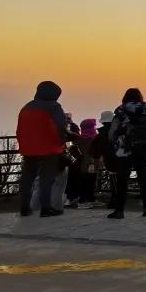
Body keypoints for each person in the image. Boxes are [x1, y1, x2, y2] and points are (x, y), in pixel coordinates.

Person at [17, 81, 68, 217]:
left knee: (27, 178)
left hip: (28, 148)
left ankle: (24, 207)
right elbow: (61, 127)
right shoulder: (54, 107)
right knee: (47, 178)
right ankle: (46, 208)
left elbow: (19, 129)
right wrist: (62, 142)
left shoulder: (26, 107)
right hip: (49, 148)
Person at [107, 88, 146, 219]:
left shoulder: (121, 111)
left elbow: (112, 133)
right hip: (144, 150)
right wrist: (144, 141)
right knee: (144, 180)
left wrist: (117, 142)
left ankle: (119, 211)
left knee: (122, 181)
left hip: (125, 151)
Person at [73, 118, 100, 207]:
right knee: (90, 182)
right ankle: (84, 201)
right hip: (91, 163)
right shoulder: (93, 138)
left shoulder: (79, 138)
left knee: (83, 182)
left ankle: (88, 199)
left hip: (81, 164)